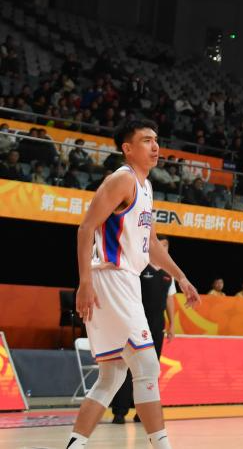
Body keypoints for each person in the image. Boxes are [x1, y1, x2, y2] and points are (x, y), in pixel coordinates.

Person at [68, 119, 200, 449]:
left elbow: (151, 244)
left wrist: (181, 277)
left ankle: (74, 445)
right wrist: (84, 282)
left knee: (112, 375)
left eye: (156, 140)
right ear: (127, 148)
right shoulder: (122, 179)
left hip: (123, 279)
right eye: (146, 140)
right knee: (147, 366)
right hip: (111, 277)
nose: (155, 146)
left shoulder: (146, 186)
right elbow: (85, 229)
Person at [111, 238, 179, 424]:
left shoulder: (169, 274)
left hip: (157, 325)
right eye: (159, 245)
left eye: (165, 246)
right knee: (128, 366)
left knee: (150, 368)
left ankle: (142, 412)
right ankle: (119, 411)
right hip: (135, 323)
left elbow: (169, 299)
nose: (162, 249)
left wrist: (172, 324)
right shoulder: (138, 266)